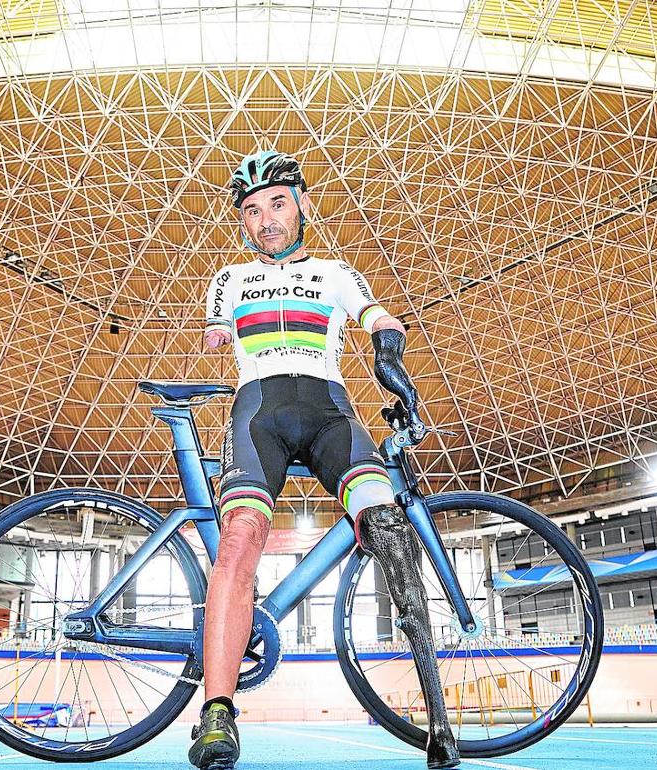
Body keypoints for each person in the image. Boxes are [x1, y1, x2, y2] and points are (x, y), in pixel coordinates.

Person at [190, 150, 458, 769]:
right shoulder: (228, 279)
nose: (266, 219)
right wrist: (217, 332)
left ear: (303, 204)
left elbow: (381, 319)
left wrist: (390, 360)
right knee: (240, 535)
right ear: (242, 223)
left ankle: (439, 721)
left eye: (278, 203)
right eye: (251, 211)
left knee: (388, 525)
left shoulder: (337, 272)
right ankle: (217, 714)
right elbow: (215, 331)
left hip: (331, 413)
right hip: (258, 411)